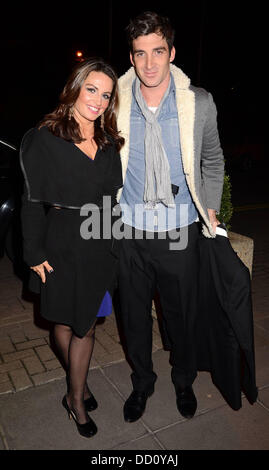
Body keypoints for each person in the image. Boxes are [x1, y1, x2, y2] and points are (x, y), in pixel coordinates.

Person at [116, 11, 224, 422]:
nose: (149, 64)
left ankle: (184, 381)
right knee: (134, 318)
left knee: (182, 317)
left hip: (180, 229)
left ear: (172, 53)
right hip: (129, 230)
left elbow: (213, 159)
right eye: (140, 53)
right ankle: (142, 383)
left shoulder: (199, 102)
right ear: (131, 57)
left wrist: (210, 204)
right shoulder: (117, 102)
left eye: (158, 51)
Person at [20, 58, 124, 438]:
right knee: (64, 321)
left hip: (100, 241)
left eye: (106, 94)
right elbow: (31, 201)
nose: (97, 100)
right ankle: (78, 390)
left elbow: (115, 198)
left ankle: (74, 395)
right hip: (61, 240)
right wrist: (33, 253)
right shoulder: (46, 136)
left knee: (87, 326)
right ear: (76, 88)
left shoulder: (111, 141)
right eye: (91, 89)